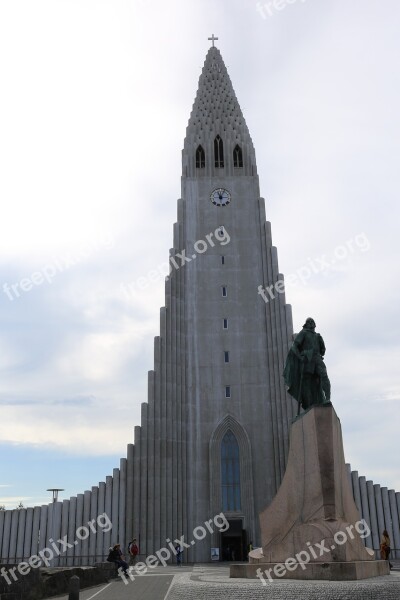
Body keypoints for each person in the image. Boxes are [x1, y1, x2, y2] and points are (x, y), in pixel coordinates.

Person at [283, 317, 331, 411]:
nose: (311, 323)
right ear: (306, 324)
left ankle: (327, 399)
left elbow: (323, 350)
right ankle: (309, 405)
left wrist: (320, 349)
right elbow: (294, 347)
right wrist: (300, 357)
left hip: (316, 358)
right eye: (309, 322)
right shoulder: (304, 333)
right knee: (307, 383)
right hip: (307, 360)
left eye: (312, 321)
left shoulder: (318, 336)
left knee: (324, 376)